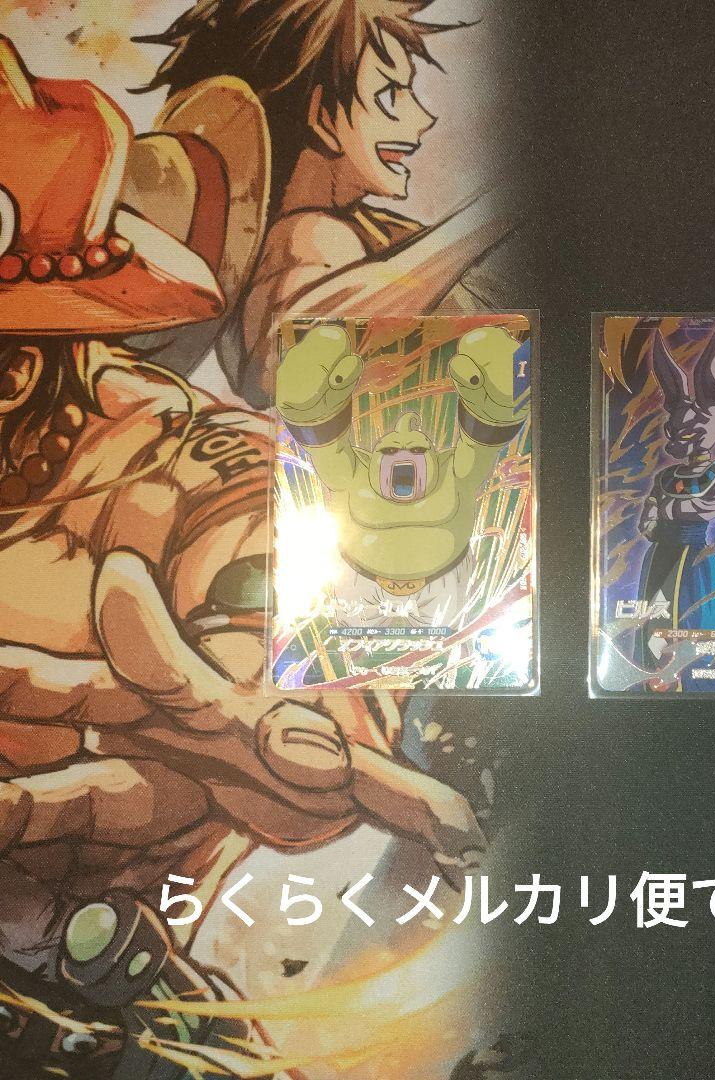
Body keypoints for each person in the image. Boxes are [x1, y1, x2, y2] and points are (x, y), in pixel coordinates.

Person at [0, 39, 483, 1074]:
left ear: (20, 369)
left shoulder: (199, 474)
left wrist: (210, 715)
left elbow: (302, 748)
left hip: (89, 1000)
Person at [138, 0, 517, 405]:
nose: (424, 118)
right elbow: (291, 354)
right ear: (321, 116)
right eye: (390, 95)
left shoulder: (356, 227)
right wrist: (495, 214)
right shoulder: (308, 234)